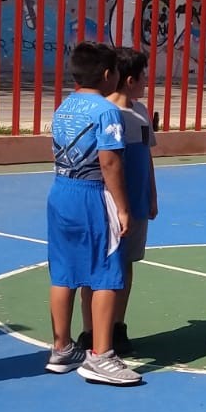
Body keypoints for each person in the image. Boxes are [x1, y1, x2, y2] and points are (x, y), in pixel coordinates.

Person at [41, 42, 141, 386]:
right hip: (92, 196)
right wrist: (123, 207)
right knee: (106, 272)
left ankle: (61, 347)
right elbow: (109, 161)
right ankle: (101, 355)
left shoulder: (64, 107)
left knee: (64, 272)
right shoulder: (106, 112)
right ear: (109, 74)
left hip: (60, 190)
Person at [79, 47, 156, 357]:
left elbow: (146, 155)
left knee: (126, 265)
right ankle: (90, 332)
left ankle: (118, 326)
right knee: (98, 267)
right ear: (129, 79)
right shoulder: (105, 113)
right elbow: (105, 163)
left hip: (136, 202)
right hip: (108, 204)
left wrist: (152, 192)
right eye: (143, 77)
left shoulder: (141, 111)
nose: (147, 82)